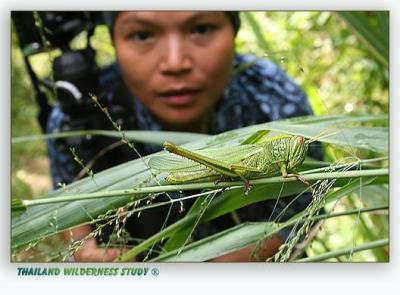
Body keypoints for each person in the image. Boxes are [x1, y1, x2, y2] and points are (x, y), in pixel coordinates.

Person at [46, 11, 320, 262]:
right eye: (142, 35)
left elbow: (307, 212)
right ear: (114, 41)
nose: (175, 63)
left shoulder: (276, 98)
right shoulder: (79, 116)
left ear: (234, 30)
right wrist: (83, 248)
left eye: (201, 29)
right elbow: (66, 196)